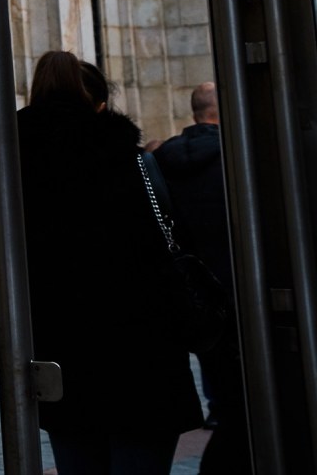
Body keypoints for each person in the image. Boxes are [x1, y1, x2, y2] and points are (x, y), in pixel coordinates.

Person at [17, 51, 201, 475]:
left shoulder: (17, 164)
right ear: (100, 105)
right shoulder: (128, 161)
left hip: (63, 354)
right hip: (141, 353)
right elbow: (168, 246)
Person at [154, 82, 246, 474]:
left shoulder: (162, 159)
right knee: (247, 407)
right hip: (241, 292)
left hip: (194, 299)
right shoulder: (237, 153)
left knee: (224, 394)